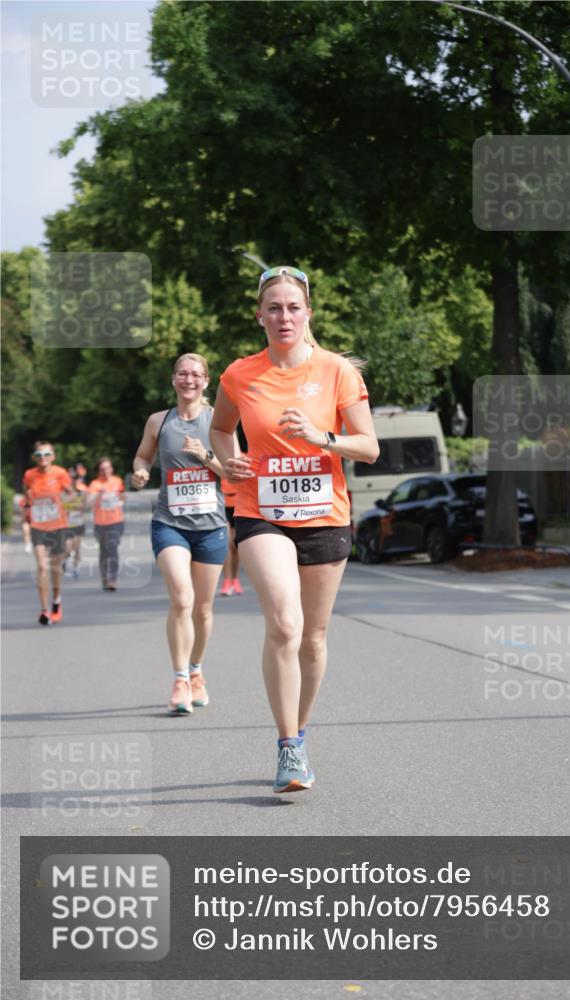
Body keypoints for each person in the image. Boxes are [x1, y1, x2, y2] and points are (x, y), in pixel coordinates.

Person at [210, 265, 378, 793]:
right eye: (274, 308)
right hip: (261, 511)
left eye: (293, 307)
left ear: (308, 314)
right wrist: (229, 462)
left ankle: (300, 734)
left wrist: (321, 436)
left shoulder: (336, 371)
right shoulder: (239, 374)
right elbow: (220, 429)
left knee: (313, 637)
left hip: (325, 514)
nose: (284, 316)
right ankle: (287, 746)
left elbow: (369, 447)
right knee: (284, 624)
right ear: (259, 316)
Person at [132, 353, 228, 715]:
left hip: (211, 527)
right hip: (169, 522)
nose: (189, 380)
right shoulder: (159, 421)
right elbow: (142, 457)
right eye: (182, 374)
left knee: (202, 609)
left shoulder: (219, 421)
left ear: (206, 381)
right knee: (182, 600)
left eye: (196, 375)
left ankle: (196, 669)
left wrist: (205, 455)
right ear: (173, 379)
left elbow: (233, 471)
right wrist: (141, 471)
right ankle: (179, 680)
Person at [22, 441, 73, 625]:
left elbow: (71, 494)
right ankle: (44, 610)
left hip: (57, 524)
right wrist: (27, 511)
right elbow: (27, 497)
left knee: (55, 567)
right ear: (34, 457)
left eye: (46, 454)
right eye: (38, 455)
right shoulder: (29, 475)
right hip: (38, 526)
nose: (42, 458)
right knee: (42, 566)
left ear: (53, 456)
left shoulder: (60, 473)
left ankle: (56, 601)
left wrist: (68, 497)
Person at [87, 458, 125, 590]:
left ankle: (112, 579)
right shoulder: (95, 484)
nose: (105, 471)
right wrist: (99, 494)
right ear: (99, 471)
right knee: (104, 552)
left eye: (107, 468)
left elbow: (122, 497)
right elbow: (89, 503)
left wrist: (119, 500)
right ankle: (104, 577)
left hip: (116, 521)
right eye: (102, 469)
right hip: (100, 523)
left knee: (113, 549)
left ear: (111, 469)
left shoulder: (117, 481)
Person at [219, 441, 244, 597]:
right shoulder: (216, 458)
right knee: (226, 544)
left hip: (239, 505)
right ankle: (227, 581)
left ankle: (235, 579)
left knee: (236, 546)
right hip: (222, 504)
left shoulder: (244, 457)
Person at [63, 462, 88, 578]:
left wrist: (75, 507)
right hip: (66, 525)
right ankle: (65, 560)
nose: (71, 480)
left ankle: (76, 567)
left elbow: (84, 507)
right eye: (69, 478)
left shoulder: (81, 493)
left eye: (73, 478)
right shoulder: (62, 493)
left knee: (77, 548)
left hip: (78, 523)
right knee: (68, 548)